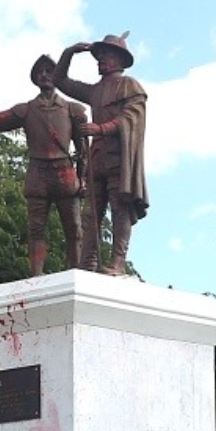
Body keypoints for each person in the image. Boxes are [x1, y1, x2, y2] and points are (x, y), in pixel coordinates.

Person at [0, 55, 88, 276]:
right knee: (35, 229)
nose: (44, 75)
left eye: (49, 71)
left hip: (65, 174)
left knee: (74, 230)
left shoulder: (73, 110)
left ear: (57, 76)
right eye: (40, 72)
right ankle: (36, 275)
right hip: (38, 174)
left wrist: (84, 178)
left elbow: (83, 150)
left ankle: (75, 274)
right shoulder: (26, 110)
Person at [53, 32, 148, 276]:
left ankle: (117, 262)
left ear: (119, 59)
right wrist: (69, 53)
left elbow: (130, 119)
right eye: (99, 56)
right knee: (90, 215)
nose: (100, 60)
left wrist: (100, 128)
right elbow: (59, 80)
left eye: (105, 55)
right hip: (97, 160)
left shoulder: (130, 86)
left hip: (119, 159)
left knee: (120, 210)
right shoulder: (95, 91)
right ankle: (88, 262)